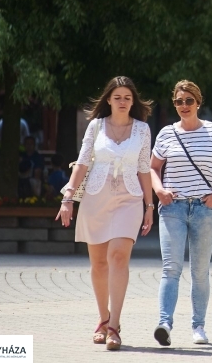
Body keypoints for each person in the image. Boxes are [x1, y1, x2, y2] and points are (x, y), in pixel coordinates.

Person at [56, 76, 154, 351]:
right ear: (108, 99)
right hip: (95, 198)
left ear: (133, 101)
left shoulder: (143, 130)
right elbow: (83, 161)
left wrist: (149, 206)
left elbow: (144, 168)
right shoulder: (95, 126)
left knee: (118, 256)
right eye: (117, 97)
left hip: (129, 198)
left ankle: (115, 327)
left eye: (127, 97)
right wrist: (68, 198)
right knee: (99, 263)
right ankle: (103, 318)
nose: (122, 102)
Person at [151, 80, 212, 346]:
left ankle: (198, 326)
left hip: (204, 209)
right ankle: (164, 323)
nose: (184, 106)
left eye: (189, 100)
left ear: (198, 102)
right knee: (171, 268)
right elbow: (153, 168)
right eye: (179, 101)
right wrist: (160, 191)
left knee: (200, 271)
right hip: (172, 209)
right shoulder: (165, 133)